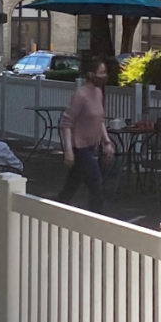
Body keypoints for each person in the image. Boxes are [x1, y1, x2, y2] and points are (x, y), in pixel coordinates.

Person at [57, 56, 115, 214]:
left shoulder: (98, 93)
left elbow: (100, 120)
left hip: (92, 146)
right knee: (96, 185)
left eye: (105, 72)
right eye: (101, 72)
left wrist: (106, 142)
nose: (104, 76)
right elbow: (67, 123)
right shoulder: (80, 95)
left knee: (71, 186)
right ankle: (96, 220)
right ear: (90, 74)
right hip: (80, 148)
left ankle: (56, 209)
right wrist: (68, 151)